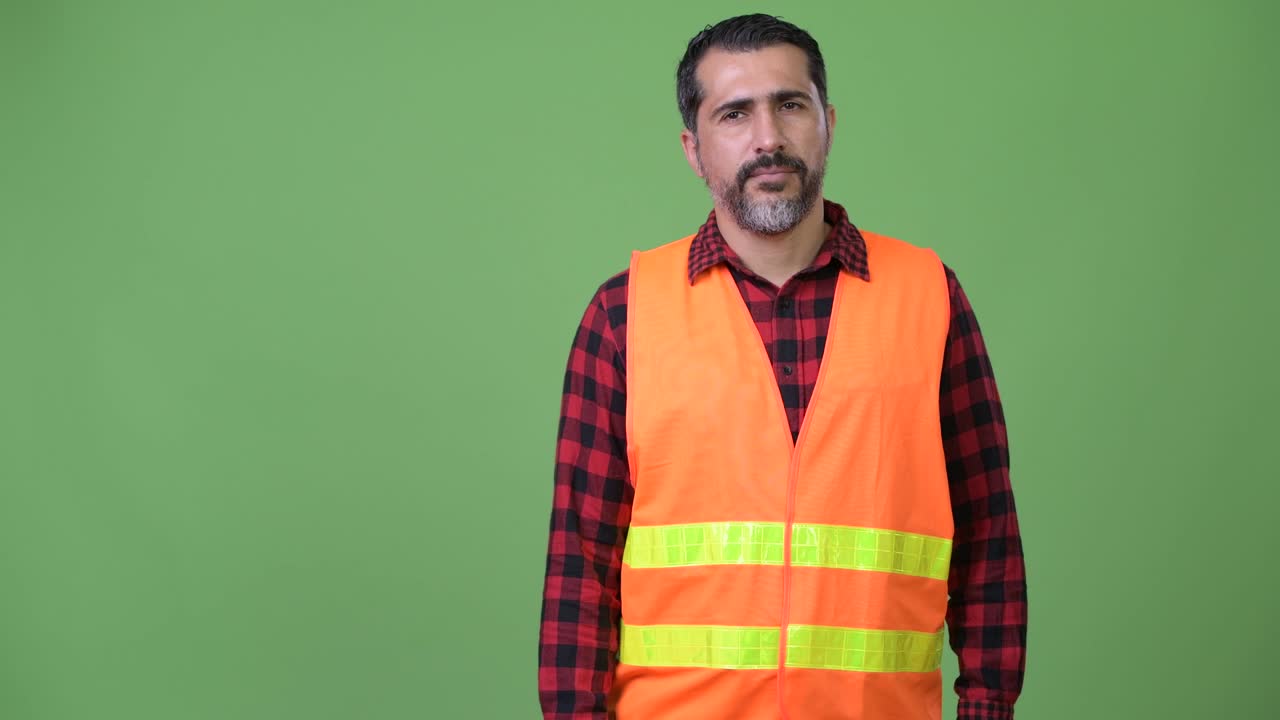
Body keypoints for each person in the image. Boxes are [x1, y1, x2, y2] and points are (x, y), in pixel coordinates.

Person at [538, 13, 1026, 720]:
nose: (767, 137)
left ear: (828, 123)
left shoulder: (929, 297)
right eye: (734, 113)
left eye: (790, 104)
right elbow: (581, 566)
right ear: (693, 148)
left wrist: (987, 708)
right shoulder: (624, 314)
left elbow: (988, 539)